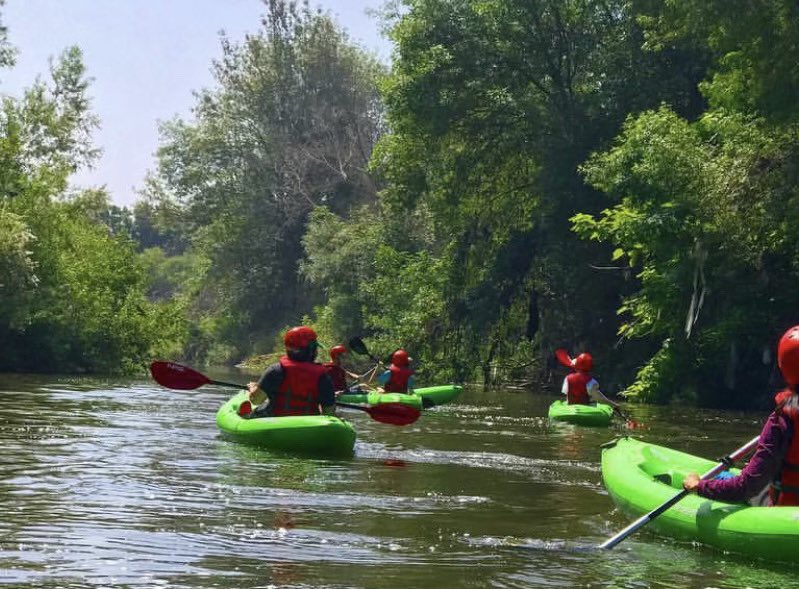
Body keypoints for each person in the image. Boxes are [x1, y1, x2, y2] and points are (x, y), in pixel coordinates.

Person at [683, 325, 799, 505]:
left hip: (786, 511)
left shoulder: (782, 421)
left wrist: (700, 487)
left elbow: (746, 487)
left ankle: (713, 480)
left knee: (724, 478)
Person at [244, 326, 336, 418]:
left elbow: (256, 400)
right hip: (309, 423)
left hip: (275, 421)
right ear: (312, 351)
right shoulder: (323, 377)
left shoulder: (275, 370)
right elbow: (329, 412)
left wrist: (253, 388)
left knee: (250, 412)